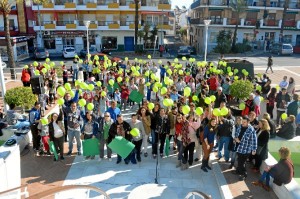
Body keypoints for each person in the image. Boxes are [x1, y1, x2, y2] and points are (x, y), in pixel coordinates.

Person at [233, 116, 257, 181]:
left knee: (242, 163)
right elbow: (236, 134)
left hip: (245, 150)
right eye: (242, 122)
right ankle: (238, 171)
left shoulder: (251, 130)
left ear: (248, 122)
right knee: (239, 161)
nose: (242, 123)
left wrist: (254, 149)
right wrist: (235, 139)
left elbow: (254, 140)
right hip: (238, 148)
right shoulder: (240, 127)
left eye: (244, 122)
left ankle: (244, 174)